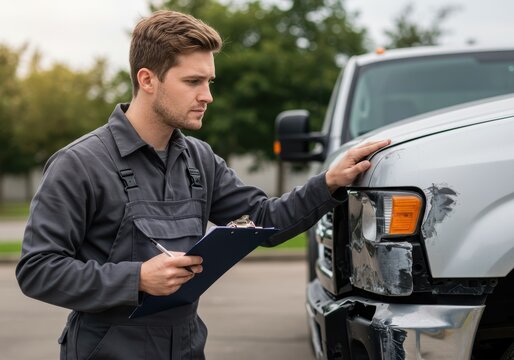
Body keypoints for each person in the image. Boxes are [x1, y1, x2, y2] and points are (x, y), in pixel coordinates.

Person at [15, 10, 390, 360]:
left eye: (208, 82)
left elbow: (264, 220)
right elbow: (37, 268)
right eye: (193, 82)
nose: (207, 96)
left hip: (188, 345)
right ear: (147, 79)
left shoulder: (199, 160)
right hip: (107, 349)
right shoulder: (79, 163)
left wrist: (329, 183)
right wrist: (137, 278)